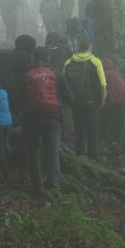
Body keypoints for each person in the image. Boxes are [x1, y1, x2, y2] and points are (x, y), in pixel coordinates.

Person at [24, 46, 73, 193]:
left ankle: (37, 185)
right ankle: (53, 186)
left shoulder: (26, 73)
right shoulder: (56, 73)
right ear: (48, 58)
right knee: (52, 152)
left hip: (32, 118)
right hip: (53, 117)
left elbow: (17, 96)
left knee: (33, 150)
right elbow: (70, 97)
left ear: (33, 57)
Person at [63, 38, 107, 161]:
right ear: (90, 47)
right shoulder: (96, 62)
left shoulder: (68, 62)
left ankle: (79, 157)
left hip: (76, 103)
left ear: (78, 47)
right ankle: (93, 158)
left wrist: (69, 101)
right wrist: (101, 102)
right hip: (92, 103)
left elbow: (63, 84)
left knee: (79, 132)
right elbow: (103, 85)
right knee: (93, 133)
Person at [99, 58, 125, 165]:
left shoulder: (104, 75)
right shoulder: (116, 74)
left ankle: (114, 150)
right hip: (124, 103)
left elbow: (105, 94)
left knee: (104, 129)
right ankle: (116, 154)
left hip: (115, 103)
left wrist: (102, 109)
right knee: (117, 130)